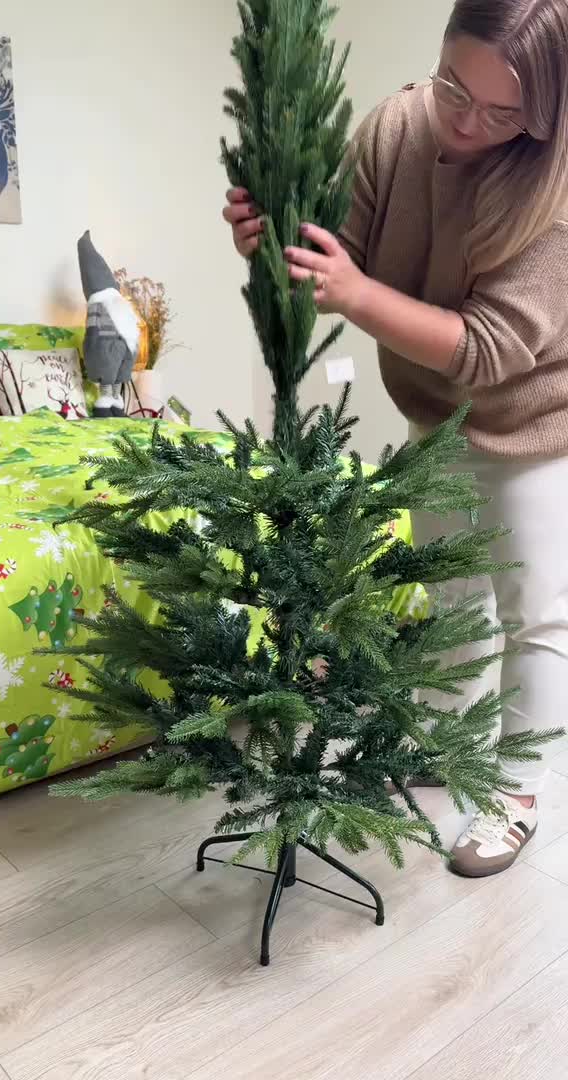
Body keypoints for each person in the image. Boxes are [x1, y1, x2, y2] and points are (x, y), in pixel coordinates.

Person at [223, 0, 568, 878]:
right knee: (452, 595)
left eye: (503, 113)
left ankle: (516, 791)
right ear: (442, 51)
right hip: (432, 407)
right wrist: (272, 244)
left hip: (537, 419)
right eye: (456, 87)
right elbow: (331, 260)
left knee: (538, 615)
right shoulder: (394, 128)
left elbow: (487, 349)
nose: (468, 122)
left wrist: (355, 292)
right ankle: (452, 748)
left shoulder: (557, 188)